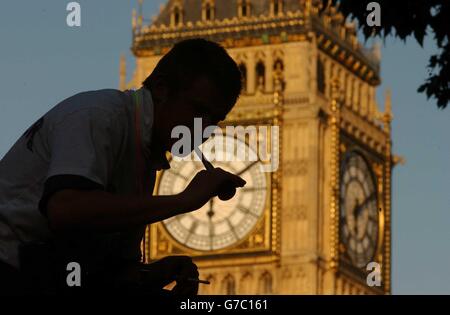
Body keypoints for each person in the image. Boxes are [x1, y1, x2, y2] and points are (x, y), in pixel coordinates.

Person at [0, 38, 246, 295]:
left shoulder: (144, 155)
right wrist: (184, 200)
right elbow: (66, 210)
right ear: (162, 89)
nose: (204, 128)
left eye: (214, 120)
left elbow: (108, 274)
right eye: (199, 111)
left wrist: (154, 275)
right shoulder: (99, 115)